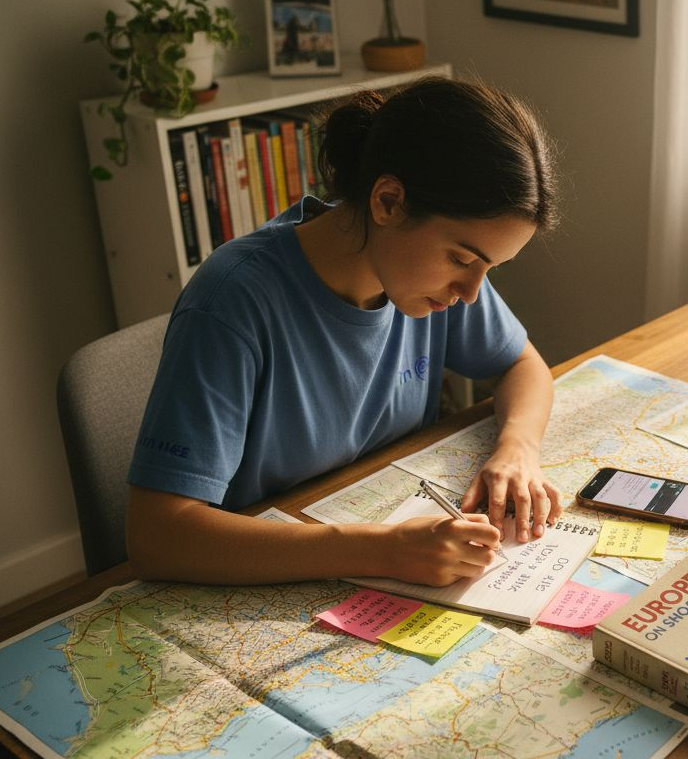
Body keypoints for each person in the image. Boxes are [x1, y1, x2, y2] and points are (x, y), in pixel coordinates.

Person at [126, 77, 562, 587]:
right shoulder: (232, 302)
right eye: (463, 259)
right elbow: (157, 536)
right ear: (389, 202)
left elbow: (523, 365)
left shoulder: (430, 279)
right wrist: (380, 552)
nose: (470, 292)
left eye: (490, 269)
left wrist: (517, 450)